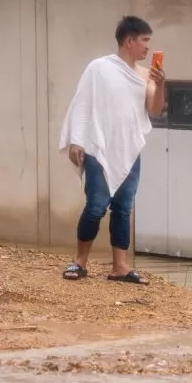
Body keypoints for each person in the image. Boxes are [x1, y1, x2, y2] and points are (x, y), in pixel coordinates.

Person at [58, 15, 165, 284]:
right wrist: (76, 139)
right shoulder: (99, 68)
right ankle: (79, 262)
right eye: (144, 41)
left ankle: (121, 267)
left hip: (129, 150)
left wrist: (160, 83)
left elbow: (154, 110)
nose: (147, 47)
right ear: (129, 41)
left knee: (123, 208)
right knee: (96, 206)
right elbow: (82, 103)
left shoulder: (145, 75)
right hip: (99, 146)